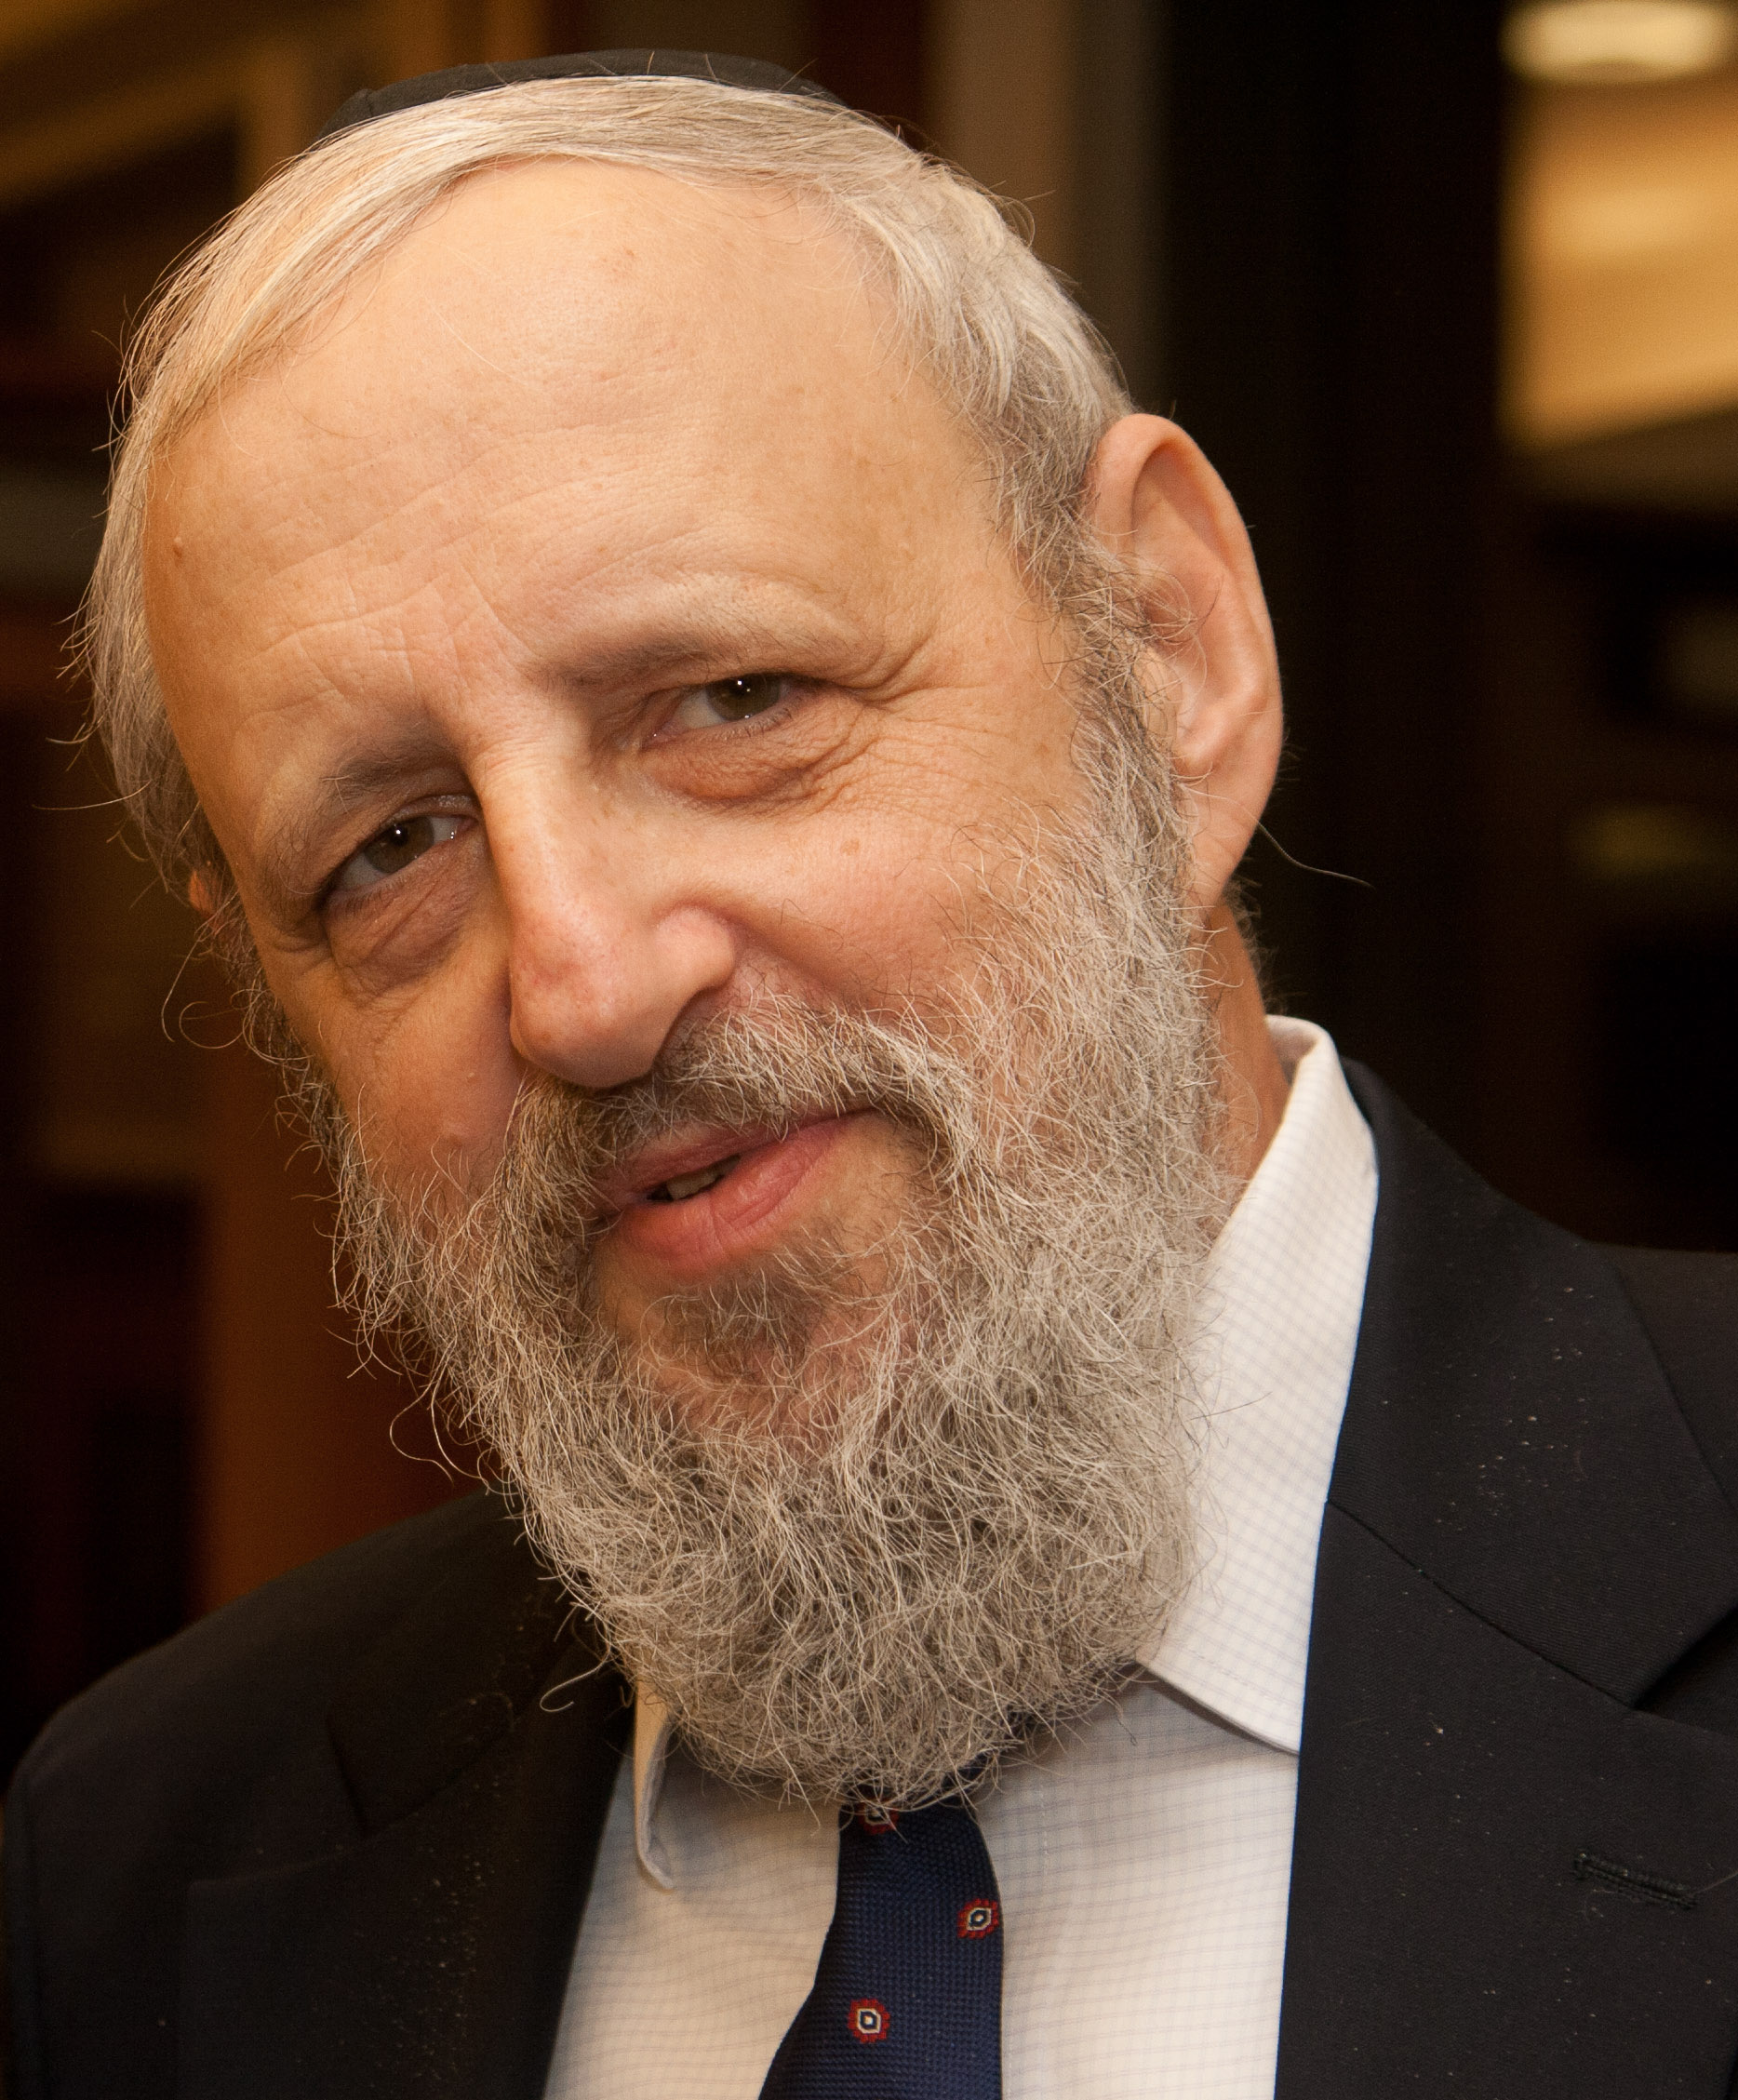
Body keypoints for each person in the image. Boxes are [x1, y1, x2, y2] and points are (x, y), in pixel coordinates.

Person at [7, 47, 1738, 2100]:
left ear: (1166, 654)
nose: (582, 986)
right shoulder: (143, 1875)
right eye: (389, 848)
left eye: (729, 698)